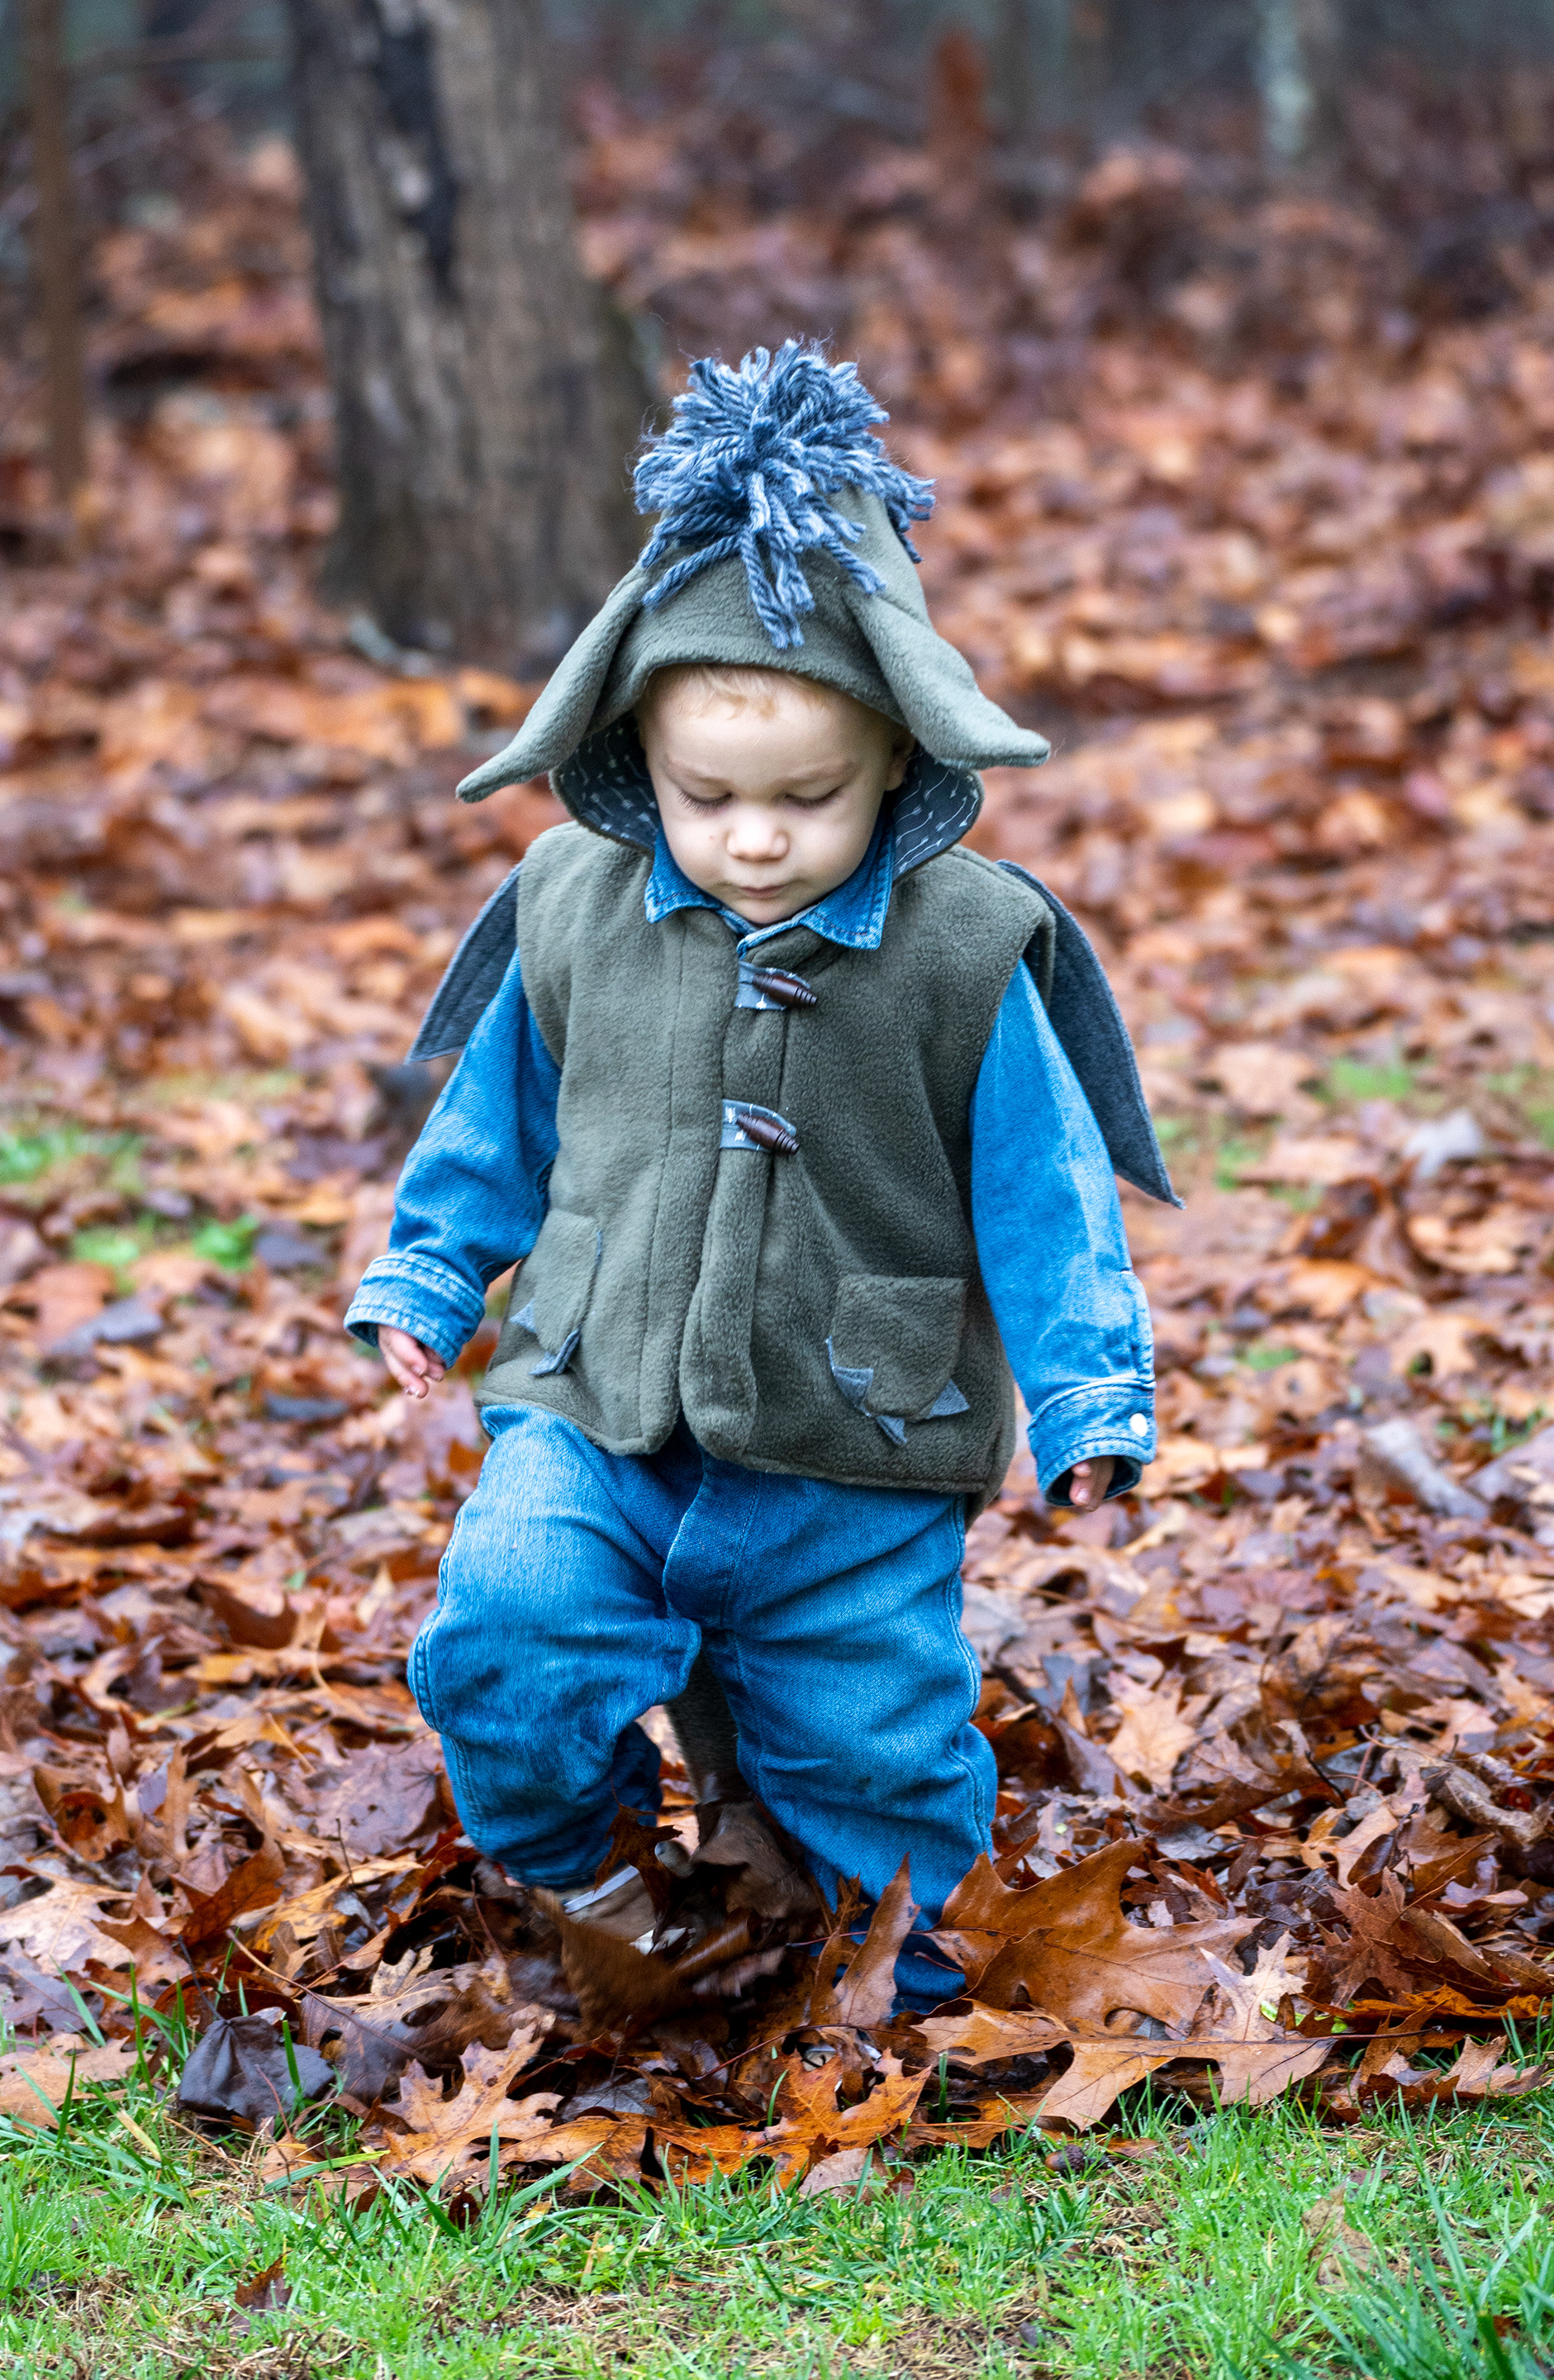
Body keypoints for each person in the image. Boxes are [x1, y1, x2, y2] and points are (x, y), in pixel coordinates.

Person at [345, 343, 1174, 1994]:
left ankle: (901, 1977)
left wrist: (1091, 1393)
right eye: (707, 795)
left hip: (855, 1442)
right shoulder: (577, 905)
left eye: (811, 795)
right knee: (506, 1628)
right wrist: (430, 1271)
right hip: (594, 1405)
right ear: (634, 756)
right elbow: (496, 1115)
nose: (757, 836)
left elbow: (1047, 1190)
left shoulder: (964, 951)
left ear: (901, 758)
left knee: (874, 1743)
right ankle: (586, 1885)